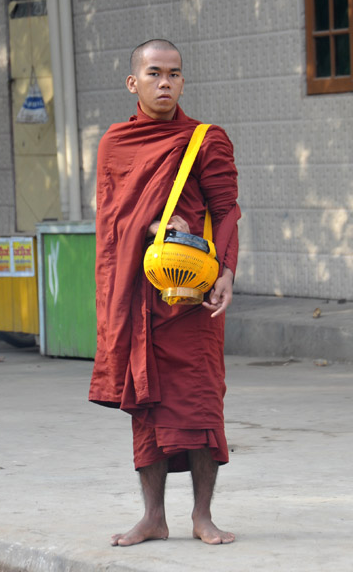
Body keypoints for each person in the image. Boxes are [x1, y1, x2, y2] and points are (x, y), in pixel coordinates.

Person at [89, 39, 241, 546]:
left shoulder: (205, 140)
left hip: (192, 297)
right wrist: (151, 223)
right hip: (142, 298)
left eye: (174, 74)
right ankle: (153, 516)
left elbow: (226, 211)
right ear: (134, 82)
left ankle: (203, 515)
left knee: (200, 403)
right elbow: (112, 219)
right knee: (147, 407)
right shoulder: (115, 143)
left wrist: (227, 273)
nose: (165, 82)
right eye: (154, 73)